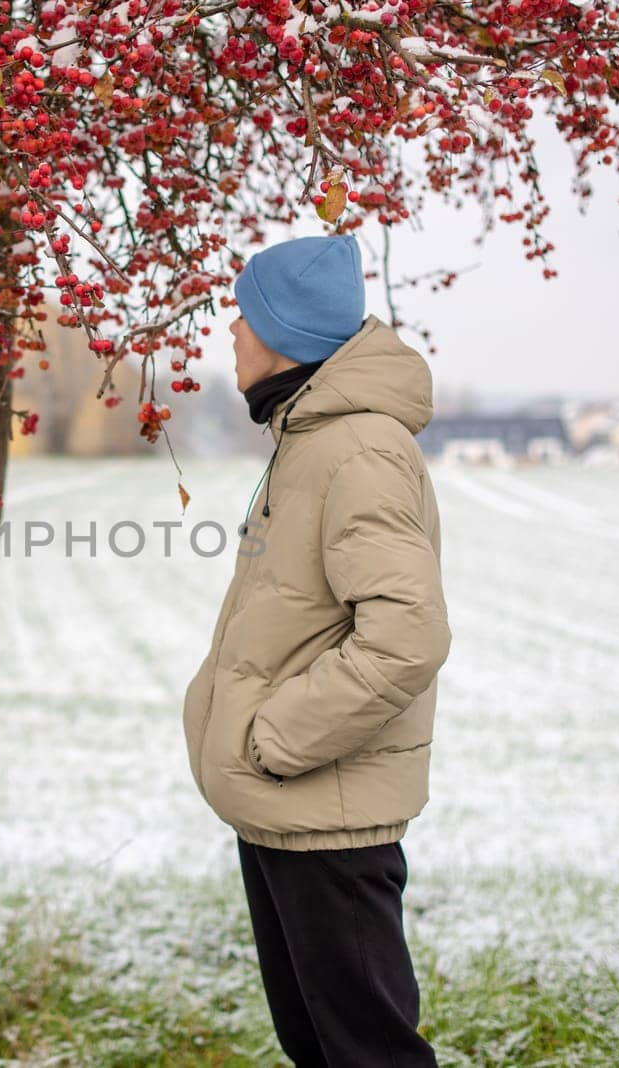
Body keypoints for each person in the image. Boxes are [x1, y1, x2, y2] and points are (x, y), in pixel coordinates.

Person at [181, 234, 451, 1066]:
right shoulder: (310, 439)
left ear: (285, 333)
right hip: (287, 810)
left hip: (327, 814)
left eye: (245, 313)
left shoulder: (356, 449)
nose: (230, 329)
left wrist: (277, 737)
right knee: (320, 1047)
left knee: (367, 1054)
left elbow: (408, 633)